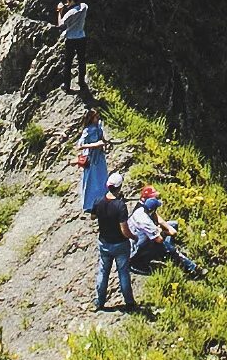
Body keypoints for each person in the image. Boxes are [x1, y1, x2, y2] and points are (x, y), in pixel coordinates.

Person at [127, 187, 203, 277]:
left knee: (173, 224)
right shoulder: (143, 218)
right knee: (167, 246)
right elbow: (159, 239)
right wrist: (166, 232)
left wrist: (169, 228)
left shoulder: (143, 207)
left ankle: (163, 252)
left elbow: (155, 216)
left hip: (145, 236)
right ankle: (191, 268)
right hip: (134, 248)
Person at [91, 174, 137, 311]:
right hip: (120, 244)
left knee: (103, 271)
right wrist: (134, 237)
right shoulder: (120, 206)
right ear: (119, 187)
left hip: (104, 243)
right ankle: (129, 302)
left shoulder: (98, 201)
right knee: (123, 272)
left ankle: (99, 301)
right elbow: (124, 230)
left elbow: (93, 216)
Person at [56, 0, 90, 93]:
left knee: (68, 62)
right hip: (81, 37)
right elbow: (81, 7)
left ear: (71, 1)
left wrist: (59, 11)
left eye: (67, 1)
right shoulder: (84, 6)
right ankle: (82, 82)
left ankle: (67, 85)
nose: (67, 3)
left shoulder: (70, 13)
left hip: (71, 38)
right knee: (81, 60)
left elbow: (60, 25)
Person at [76, 110, 109, 214]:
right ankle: (90, 204)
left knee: (102, 179)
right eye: (96, 116)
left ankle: (103, 201)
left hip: (99, 158)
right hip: (91, 158)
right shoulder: (87, 130)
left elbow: (102, 138)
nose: (98, 118)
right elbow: (80, 145)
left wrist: (105, 142)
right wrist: (95, 145)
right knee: (91, 181)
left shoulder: (99, 126)